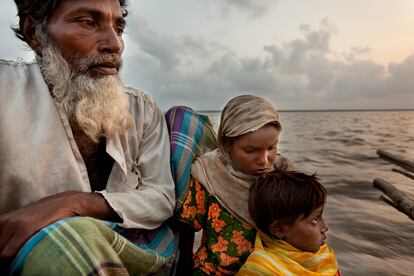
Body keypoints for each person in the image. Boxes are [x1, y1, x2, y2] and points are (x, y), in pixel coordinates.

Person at [0, 0, 177, 274]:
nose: (114, 44)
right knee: (72, 241)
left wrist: (75, 203)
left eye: (118, 28)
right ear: (34, 32)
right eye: (88, 22)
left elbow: (161, 196)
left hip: (128, 250)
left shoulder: (142, 109)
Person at [177, 95, 294, 274]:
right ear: (226, 144)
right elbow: (187, 226)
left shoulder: (284, 173)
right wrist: (183, 268)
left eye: (271, 148)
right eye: (250, 150)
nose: (264, 161)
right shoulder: (208, 172)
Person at [238, 170, 340, 275]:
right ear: (279, 229)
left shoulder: (322, 257)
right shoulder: (257, 271)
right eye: (315, 219)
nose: (325, 227)